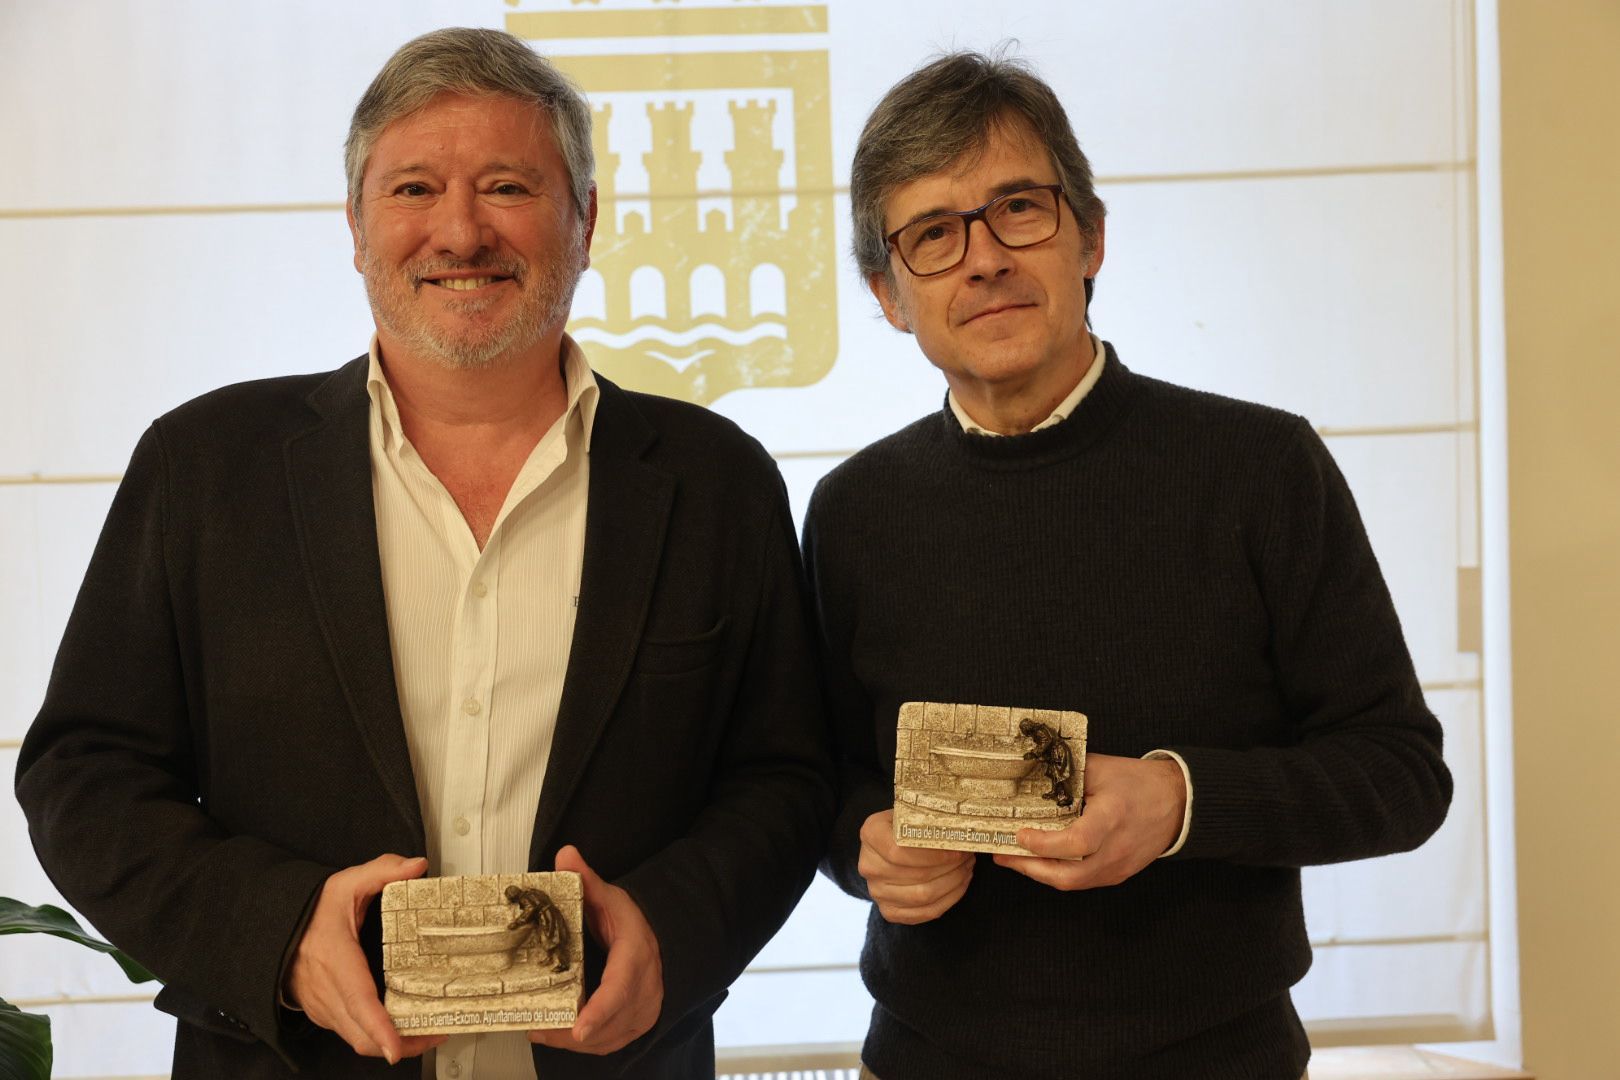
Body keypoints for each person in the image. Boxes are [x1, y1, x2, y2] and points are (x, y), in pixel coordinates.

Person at [15, 27, 831, 1080]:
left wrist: (672, 928)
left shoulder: (719, 480)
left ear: (586, 221)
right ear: (355, 228)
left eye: (507, 186)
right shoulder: (203, 468)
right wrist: (277, 933)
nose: (459, 229)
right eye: (411, 190)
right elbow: (84, 775)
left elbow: (784, 775)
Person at [801, 52, 1453, 1080]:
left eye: (1018, 208)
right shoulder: (852, 512)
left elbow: (1403, 777)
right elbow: (821, 784)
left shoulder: (1260, 468)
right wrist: (865, 847)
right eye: (932, 234)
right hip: (928, 1058)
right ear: (888, 294)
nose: (981, 259)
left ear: (1091, 236)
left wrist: (1180, 803)